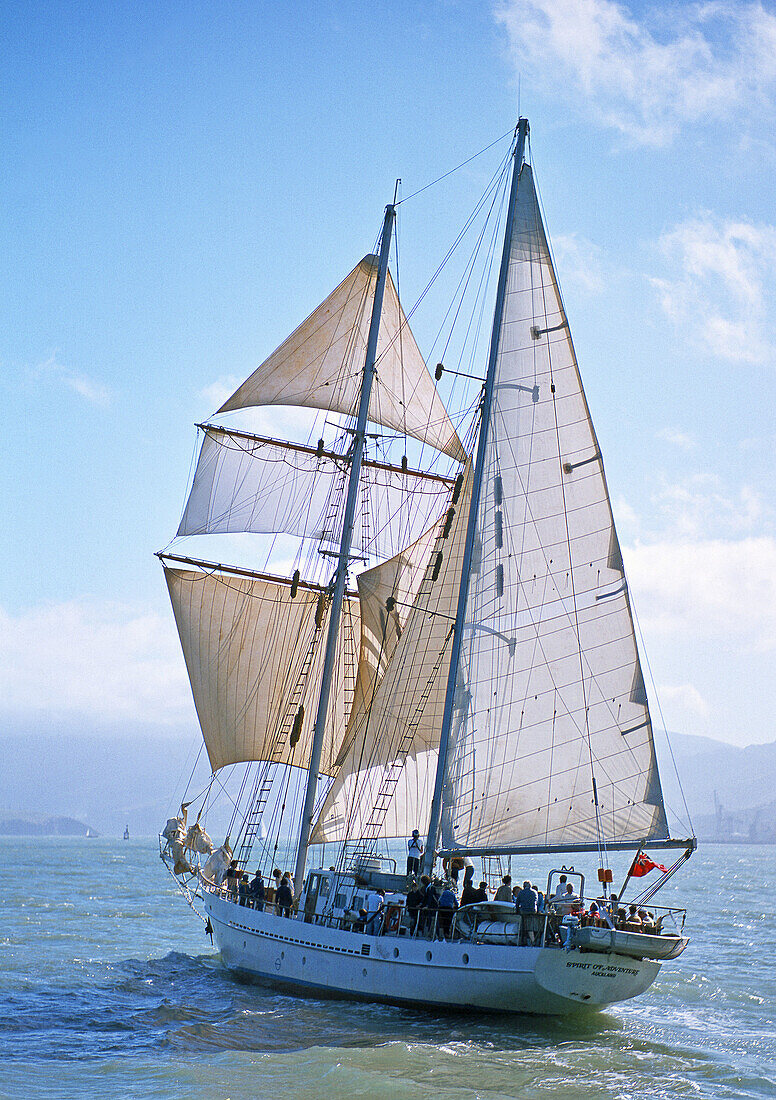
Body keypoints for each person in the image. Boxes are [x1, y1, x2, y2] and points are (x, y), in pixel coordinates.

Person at [515, 880, 539, 945]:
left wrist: (517, 911)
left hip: (524, 911)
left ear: (524, 886)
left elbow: (517, 903)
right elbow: (537, 902)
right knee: (530, 926)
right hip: (533, 911)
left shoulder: (521, 892)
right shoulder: (534, 892)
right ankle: (532, 940)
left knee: (525, 925)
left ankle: (525, 939)